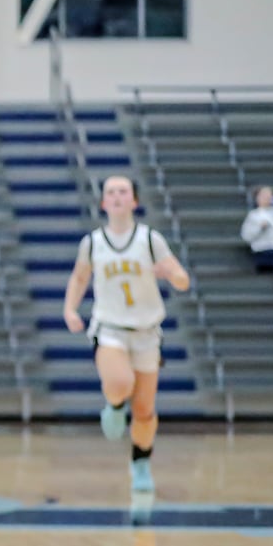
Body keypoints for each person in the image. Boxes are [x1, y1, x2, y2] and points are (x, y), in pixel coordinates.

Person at [63, 176, 190, 495]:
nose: (117, 196)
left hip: (147, 331)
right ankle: (116, 405)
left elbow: (182, 277)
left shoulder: (150, 239)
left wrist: (173, 275)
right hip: (109, 328)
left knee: (145, 411)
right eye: (111, 192)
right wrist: (69, 310)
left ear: (134, 201)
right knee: (120, 382)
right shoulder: (92, 243)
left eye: (123, 191)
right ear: (103, 203)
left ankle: (141, 463)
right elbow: (79, 278)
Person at [240, 185, 273, 273]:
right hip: (264, 250)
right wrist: (259, 227)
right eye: (264, 195)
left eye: (270, 195)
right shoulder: (254, 215)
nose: (268, 198)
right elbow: (246, 236)